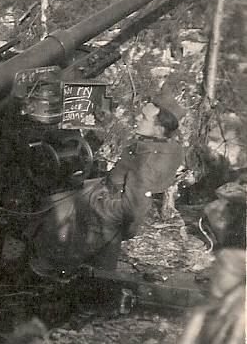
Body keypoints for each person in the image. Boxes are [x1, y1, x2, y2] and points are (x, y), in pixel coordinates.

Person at [27, 85, 187, 274]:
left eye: (143, 118)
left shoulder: (149, 161)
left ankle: (48, 271)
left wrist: (118, 221)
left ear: (159, 129)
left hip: (107, 206)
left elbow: (135, 207)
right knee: (54, 205)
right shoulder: (164, 145)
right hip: (107, 192)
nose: (137, 118)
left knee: (58, 227)